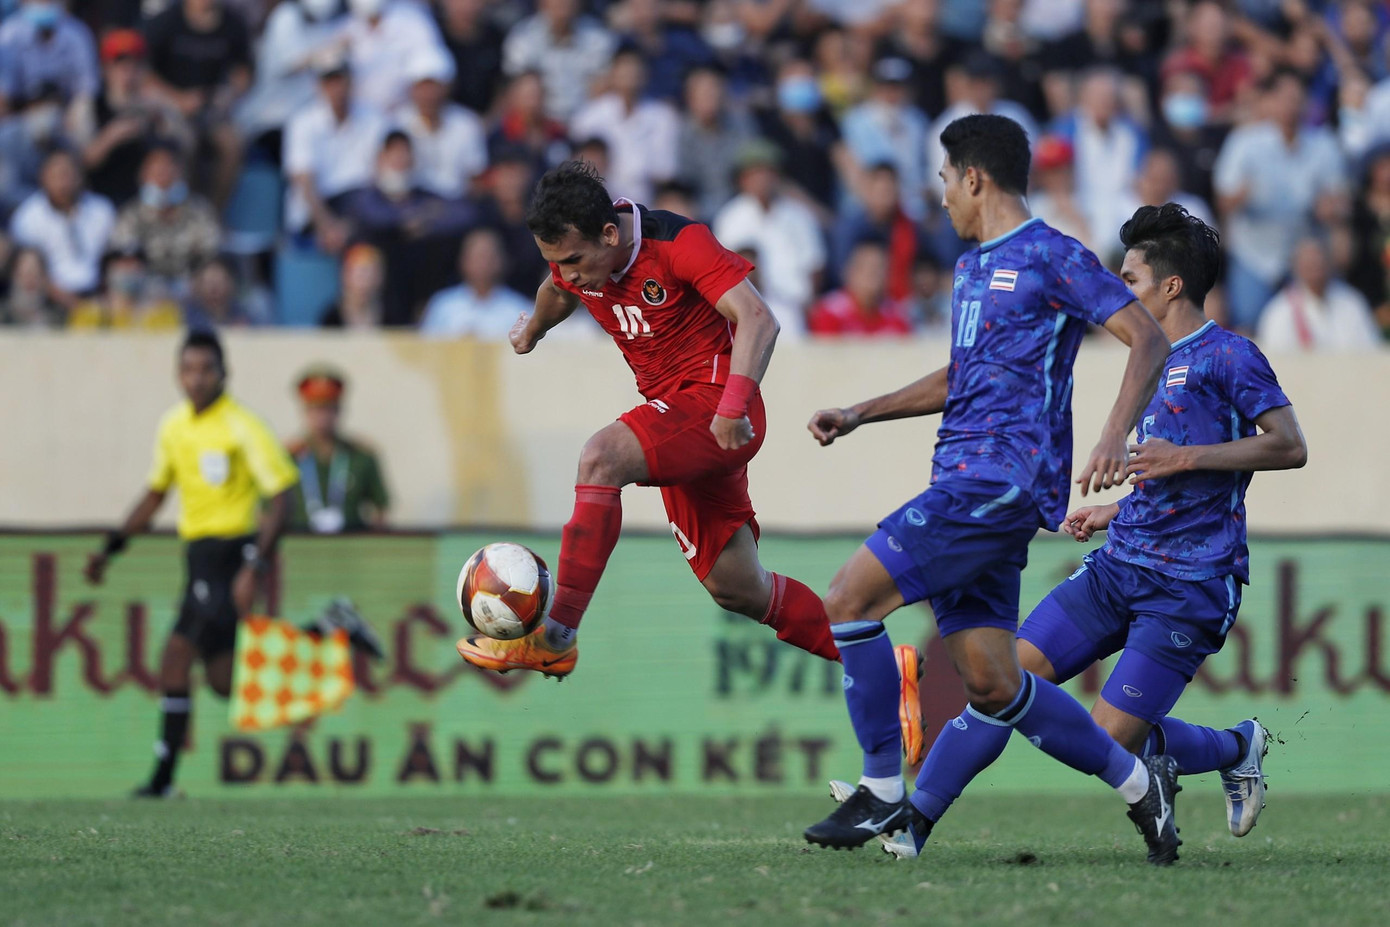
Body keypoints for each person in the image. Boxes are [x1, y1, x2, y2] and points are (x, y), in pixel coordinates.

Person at [863, 203, 1309, 859]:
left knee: (1109, 737)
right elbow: (1167, 474)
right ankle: (915, 821)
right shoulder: (1145, 362)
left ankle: (1236, 746)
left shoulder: (1230, 356)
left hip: (1190, 583)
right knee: (1001, 683)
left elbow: (1290, 445)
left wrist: (1185, 457)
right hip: (1117, 566)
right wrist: (1118, 509)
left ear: (1171, 286)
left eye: (1129, 279)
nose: (1116, 291)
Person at [454, 161, 925, 764]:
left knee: (600, 458)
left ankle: (557, 636)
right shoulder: (577, 261)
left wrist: (731, 406)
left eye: (573, 260)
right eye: (555, 261)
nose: (567, 272)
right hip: (677, 419)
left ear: (609, 234)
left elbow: (759, 319)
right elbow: (557, 290)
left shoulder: (679, 243)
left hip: (719, 405)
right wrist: (534, 331)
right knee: (739, 589)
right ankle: (885, 666)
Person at [801, 115, 1177, 864]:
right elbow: (960, 376)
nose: (941, 196)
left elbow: (1150, 337)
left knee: (847, 599)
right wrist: (861, 411)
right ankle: (1140, 784)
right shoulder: (971, 269)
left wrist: (1112, 436)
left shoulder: (1053, 254)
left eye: (945, 179)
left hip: (1000, 482)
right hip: (962, 478)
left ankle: (881, 787)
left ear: (973, 177)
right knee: (995, 684)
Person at [83, 331, 299, 797]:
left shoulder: (242, 425)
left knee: (176, 656)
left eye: (205, 369)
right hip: (198, 556)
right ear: (178, 374)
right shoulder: (174, 426)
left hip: (231, 553)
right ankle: (327, 633)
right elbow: (156, 493)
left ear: (224, 373)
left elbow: (282, 496)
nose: (196, 379)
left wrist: (253, 566)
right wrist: (111, 547)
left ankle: (162, 780)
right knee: (224, 681)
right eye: (188, 369)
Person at [287, 365, 391, 533]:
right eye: (315, 409)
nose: (322, 417)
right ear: (305, 412)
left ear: (339, 411)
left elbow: (380, 507)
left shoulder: (360, 456)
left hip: (351, 541)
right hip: (300, 540)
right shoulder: (288, 457)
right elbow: (268, 509)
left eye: (328, 409)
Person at [8, 149, 115, 305]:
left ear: (80, 176)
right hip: (48, 296)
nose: (63, 181)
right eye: (56, 175)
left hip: (100, 292)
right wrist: (70, 302)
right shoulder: (28, 217)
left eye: (67, 174)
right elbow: (27, 268)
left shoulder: (102, 209)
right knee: (27, 266)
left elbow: (113, 258)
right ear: (43, 178)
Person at [1256, 236, 1383, 352]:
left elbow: (1371, 349)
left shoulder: (1351, 302)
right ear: (1296, 267)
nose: (1315, 269)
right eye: (1309, 263)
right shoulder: (1280, 311)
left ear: (1329, 264)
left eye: (1319, 262)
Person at [419, 227, 533, 339]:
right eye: (478, 256)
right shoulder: (442, 305)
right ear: (463, 261)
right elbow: (425, 344)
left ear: (502, 261)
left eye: (489, 257)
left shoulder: (520, 309)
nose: (484, 263)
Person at [807, 239, 914, 337]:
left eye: (879, 269)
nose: (871, 275)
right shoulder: (830, 313)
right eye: (865, 268)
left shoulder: (897, 315)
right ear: (849, 272)